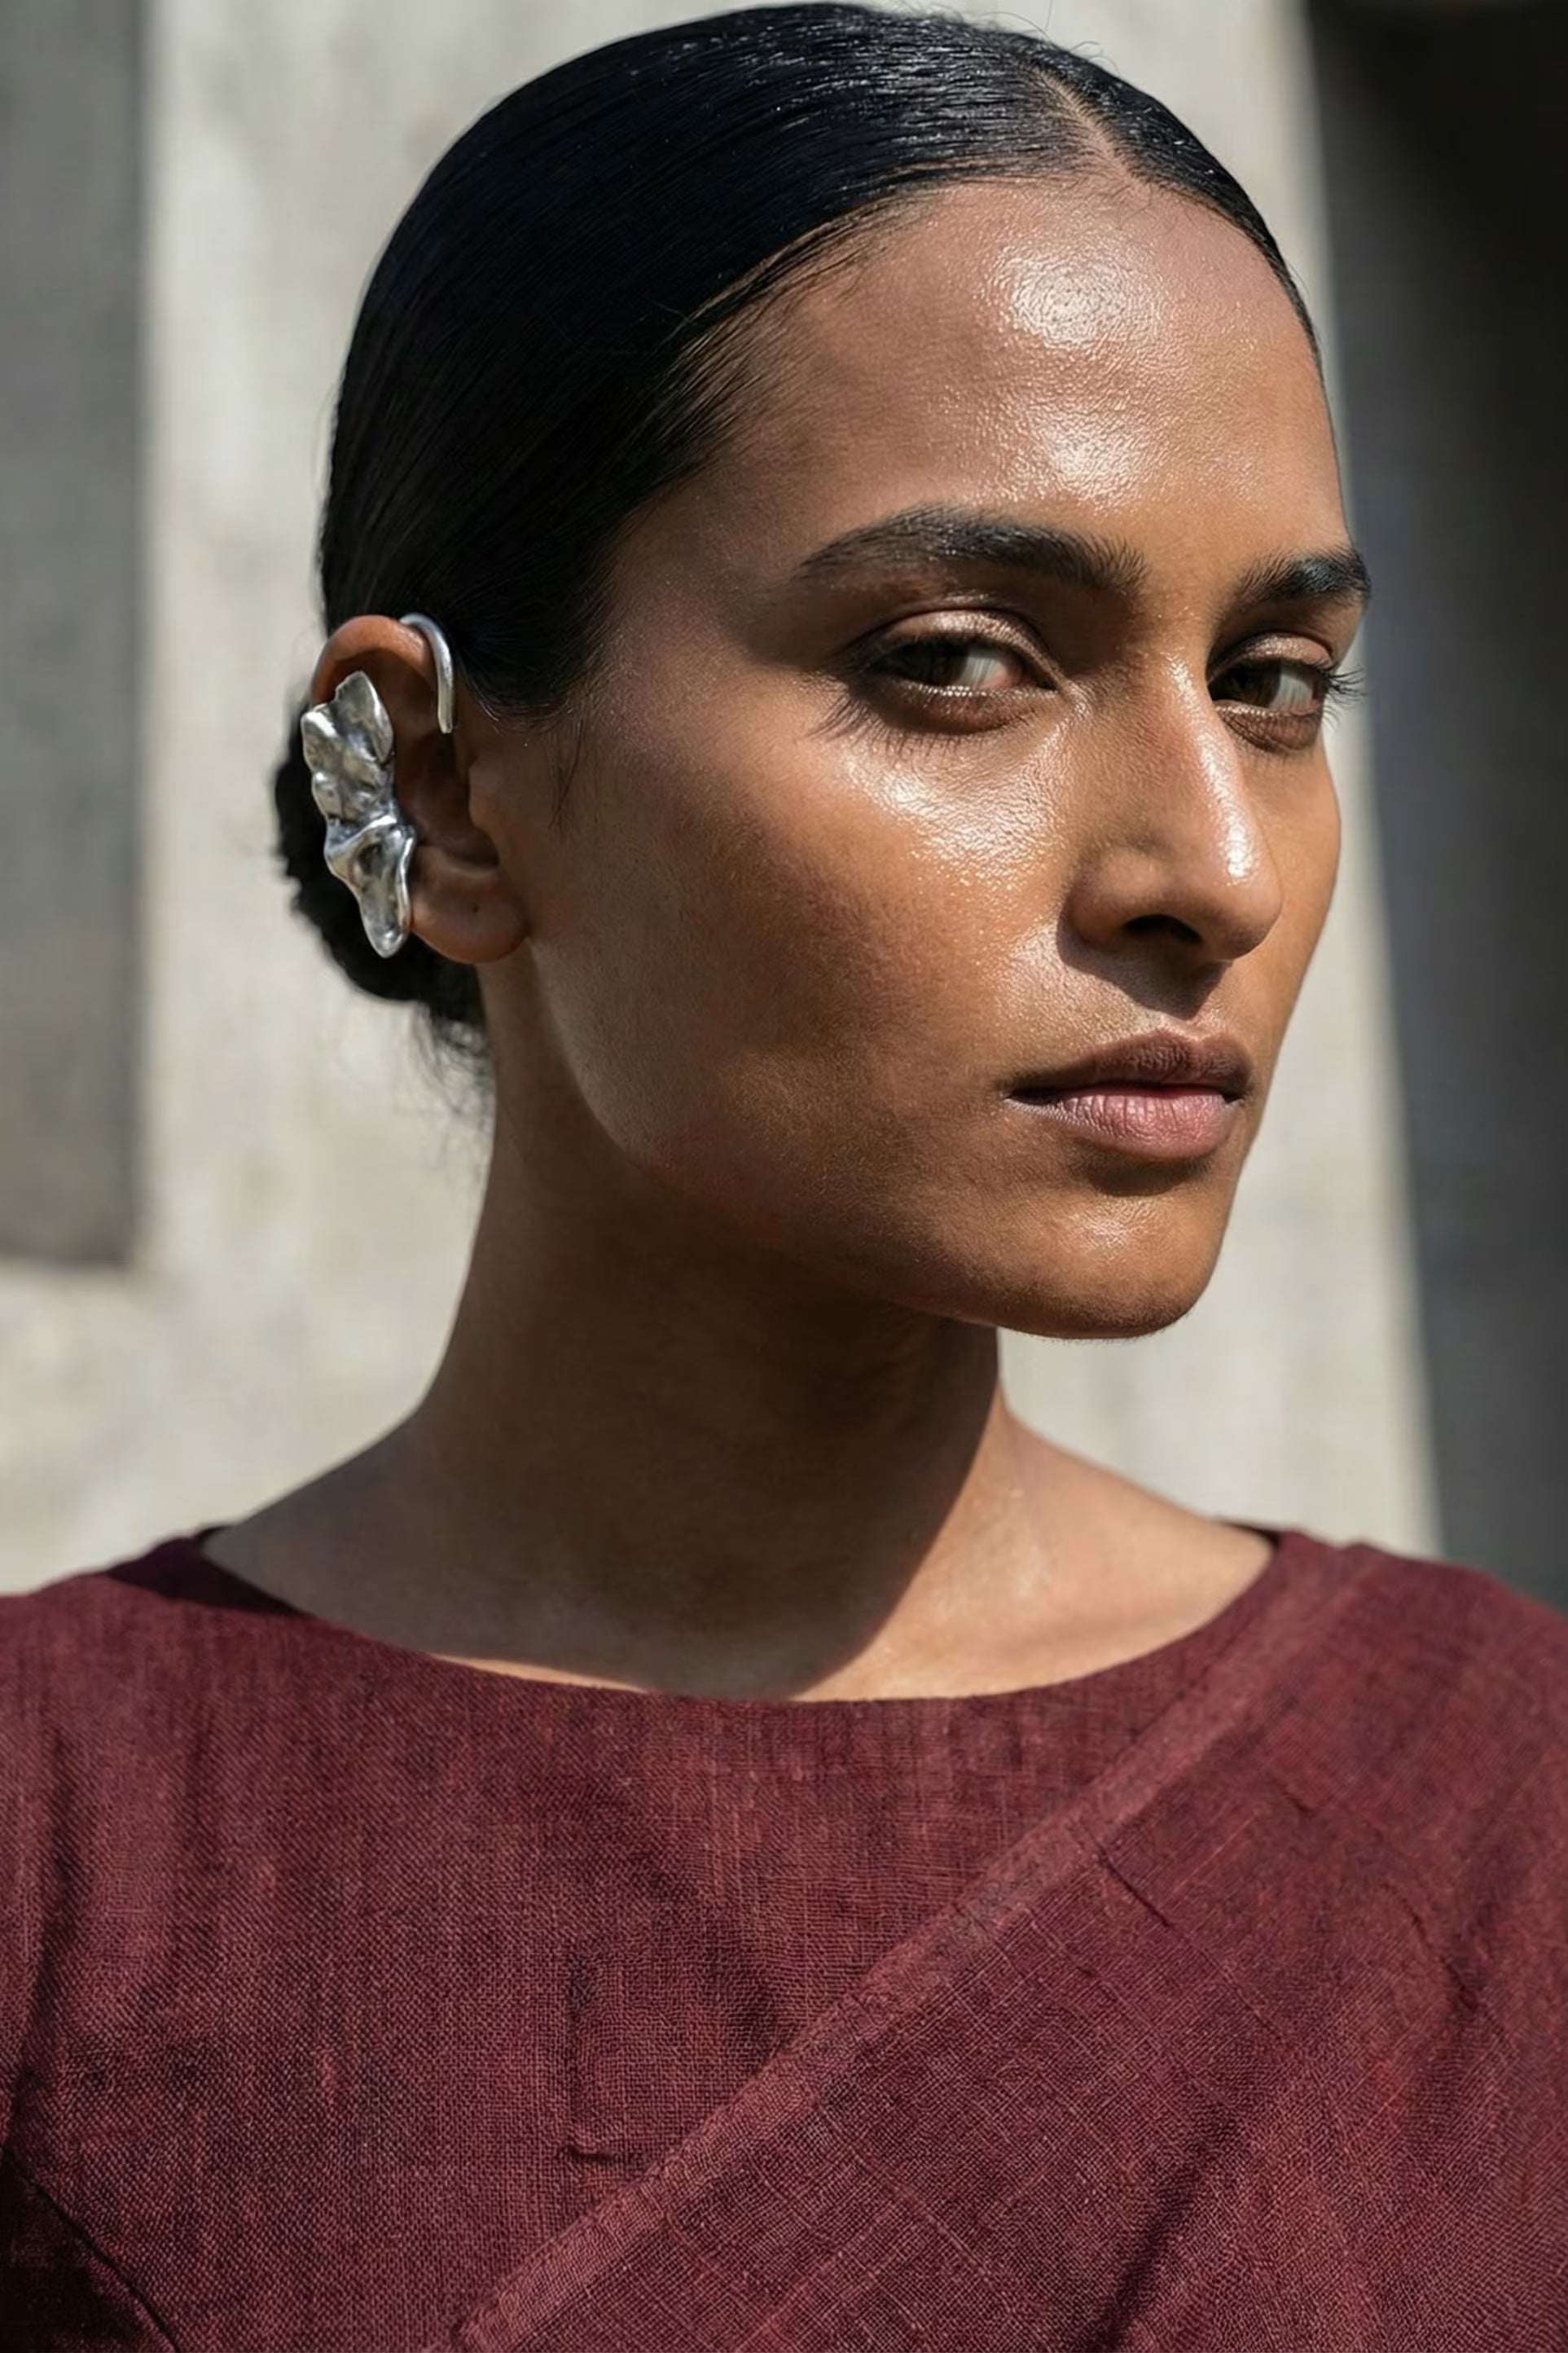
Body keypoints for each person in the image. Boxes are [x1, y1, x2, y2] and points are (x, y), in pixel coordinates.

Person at [2, 7, 1564, 2346]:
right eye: (958, 661)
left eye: (1273, 678)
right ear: (442, 789)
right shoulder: (58, 1861)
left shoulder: (1501, 1816)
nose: (1214, 868)